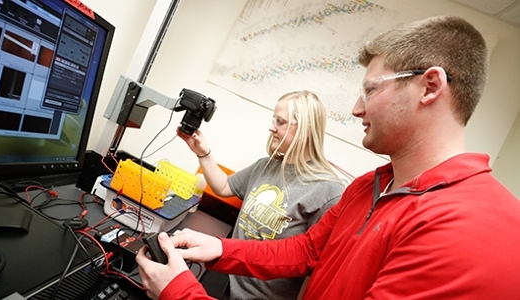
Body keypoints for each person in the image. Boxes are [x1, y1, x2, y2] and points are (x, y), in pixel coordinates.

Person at [136, 16, 520, 300]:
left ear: (429, 86)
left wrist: (179, 293)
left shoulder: (470, 230)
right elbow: (305, 250)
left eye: (370, 90)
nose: (356, 108)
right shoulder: (369, 187)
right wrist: (221, 248)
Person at [175, 90, 345, 299]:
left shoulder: (329, 191)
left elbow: (315, 266)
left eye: (280, 121)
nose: (271, 127)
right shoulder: (266, 166)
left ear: (305, 130)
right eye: (274, 119)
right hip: (225, 282)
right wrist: (203, 152)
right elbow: (224, 187)